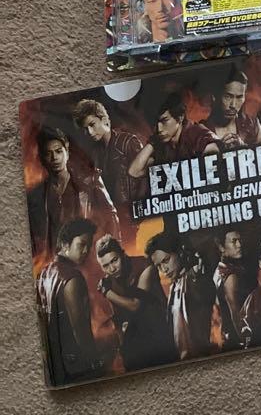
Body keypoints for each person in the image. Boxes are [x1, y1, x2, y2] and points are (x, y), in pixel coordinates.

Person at [28, 126, 118, 259]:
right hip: (53, 259)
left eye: (58, 151)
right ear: (41, 158)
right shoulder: (37, 195)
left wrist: (110, 251)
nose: (54, 158)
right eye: (48, 153)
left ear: (67, 151)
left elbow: (110, 216)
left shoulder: (89, 182)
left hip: (87, 256)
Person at [38, 218, 103, 384]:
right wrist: (95, 362)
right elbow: (79, 328)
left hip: (55, 363)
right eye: (81, 244)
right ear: (65, 245)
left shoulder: (44, 273)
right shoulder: (72, 277)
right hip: (76, 366)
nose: (86, 251)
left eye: (89, 246)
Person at [96, 234, 171, 370]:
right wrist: (123, 348)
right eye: (105, 266)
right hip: (133, 345)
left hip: (160, 336)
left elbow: (135, 305)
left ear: (122, 254)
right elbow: (118, 319)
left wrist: (107, 293)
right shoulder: (109, 281)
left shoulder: (145, 266)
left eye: (114, 260)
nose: (112, 269)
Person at [146, 231, 214, 361]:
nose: (164, 269)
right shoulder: (174, 286)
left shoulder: (193, 278)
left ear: (179, 253)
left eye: (166, 260)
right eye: (159, 266)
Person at [71, 98, 147, 211]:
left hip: (133, 209)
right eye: (85, 129)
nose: (90, 132)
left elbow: (145, 177)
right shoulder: (95, 153)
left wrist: (139, 207)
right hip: (114, 212)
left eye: (92, 124)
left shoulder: (127, 141)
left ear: (104, 120)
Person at [128, 93, 220, 179]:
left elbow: (215, 158)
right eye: (155, 123)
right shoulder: (162, 144)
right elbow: (134, 171)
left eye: (164, 120)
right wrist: (153, 141)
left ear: (180, 117)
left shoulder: (197, 134)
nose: (159, 129)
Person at [201, 65, 261, 148]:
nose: (233, 105)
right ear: (215, 96)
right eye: (228, 97)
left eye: (239, 97)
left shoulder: (253, 124)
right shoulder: (201, 130)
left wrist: (243, 147)